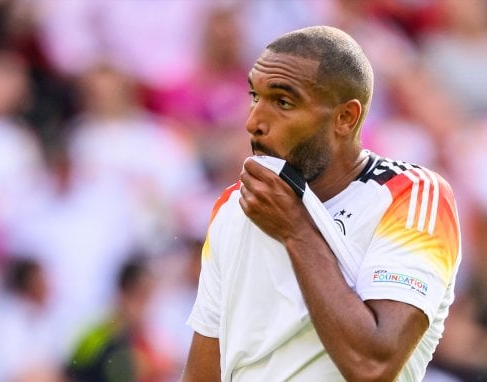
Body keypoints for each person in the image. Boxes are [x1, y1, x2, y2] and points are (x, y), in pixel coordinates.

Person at [182, 26, 461, 381]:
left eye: (283, 102)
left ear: (345, 118)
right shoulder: (232, 208)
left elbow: (373, 366)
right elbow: (202, 375)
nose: (254, 122)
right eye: (255, 96)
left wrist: (296, 230)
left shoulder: (411, 195)